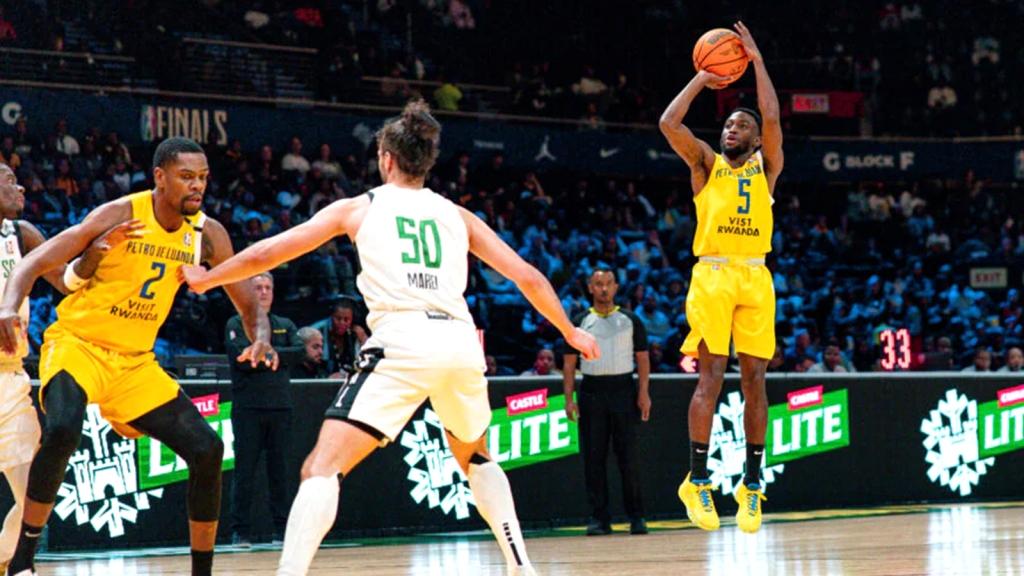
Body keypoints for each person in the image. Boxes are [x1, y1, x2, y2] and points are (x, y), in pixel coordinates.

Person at [181, 100, 599, 576]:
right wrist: (569, 330)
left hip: (403, 339)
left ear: (386, 158)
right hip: (461, 342)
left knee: (321, 468)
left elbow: (270, 252)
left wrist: (208, 279)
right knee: (475, 454)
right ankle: (521, 566)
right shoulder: (457, 215)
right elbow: (527, 275)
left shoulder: (360, 208)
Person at [0, 137, 276, 576]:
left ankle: (202, 572)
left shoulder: (207, 234)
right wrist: (8, 306)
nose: (197, 186)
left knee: (208, 449)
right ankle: (22, 563)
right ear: (159, 177)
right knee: (64, 428)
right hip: (79, 344)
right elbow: (31, 265)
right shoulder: (120, 213)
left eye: (203, 178)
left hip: (134, 362)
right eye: (186, 177)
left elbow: (249, 305)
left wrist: (260, 336)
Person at [659, 21, 782, 534]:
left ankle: (751, 484)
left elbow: (771, 115)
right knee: (710, 376)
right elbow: (669, 123)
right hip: (712, 274)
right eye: (729, 123)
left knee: (755, 381)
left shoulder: (766, 168)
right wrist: (702, 78)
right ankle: (697, 479)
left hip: (755, 276)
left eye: (741, 125)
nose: (733, 128)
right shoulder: (707, 164)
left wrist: (757, 61)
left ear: (755, 139)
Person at [0, 163, 133, 573]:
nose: (21, 187)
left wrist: (94, 255)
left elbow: (66, 281)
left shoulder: (21, 234)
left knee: (36, 493)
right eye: (9, 180)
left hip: (9, 378)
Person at [563, 268, 651, 536]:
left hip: (624, 390)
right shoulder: (579, 322)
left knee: (628, 457)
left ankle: (637, 517)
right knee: (594, 458)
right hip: (591, 392)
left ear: (615, 287)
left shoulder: (631, 320)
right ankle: (599, 518)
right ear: (590, 287)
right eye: (598, 283)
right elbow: (569, 364)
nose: (603, 288)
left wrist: (644, 392)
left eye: (608, 283)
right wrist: (569, 398)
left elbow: (643, 358)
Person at [225, 271, 304, 548]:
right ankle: (240, 532)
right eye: (258, 287)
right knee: (244, 471)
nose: (263, 292)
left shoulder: (285, 324)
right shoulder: (236, 322)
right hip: (248, 408)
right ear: (249, 291)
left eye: (268, 287)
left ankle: (282, 530)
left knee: (280, 471)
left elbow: (300, 352)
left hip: (280, 407)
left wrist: (269, 354)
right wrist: (274, 356)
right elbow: (240, 358)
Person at [312, 300, 366, 377]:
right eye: (338, 318)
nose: (342, 323)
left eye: (346, 319)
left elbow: (369, 357)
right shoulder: (317, 331)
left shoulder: (355, 333)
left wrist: (363, 338)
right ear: (331, 316)